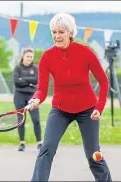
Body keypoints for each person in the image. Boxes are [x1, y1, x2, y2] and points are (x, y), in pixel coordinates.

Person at [28, 13, 112, 181]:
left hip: (87, 110)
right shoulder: (47, 57)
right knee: (47, 149)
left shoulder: (85, 52)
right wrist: (36, 99)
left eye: (61, 32)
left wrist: (99, 108)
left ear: (71, 33)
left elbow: (103, 82)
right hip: (60, 109)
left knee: (93, 154)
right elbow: (42, 89)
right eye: (54, 32)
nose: (57, 36)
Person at [12, 47, 42, 152]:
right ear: (23, 56)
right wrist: (28, 81)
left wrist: (23, 80)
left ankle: (39, 143)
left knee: (36, 120)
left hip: (31, 97)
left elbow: (36, 80)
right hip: (19, 96)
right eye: (27, 56)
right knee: (21, 120)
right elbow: (16, 82)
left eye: (31, 57)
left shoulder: (35, 68)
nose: (29, 58)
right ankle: (22, 143)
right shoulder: (17, 68)